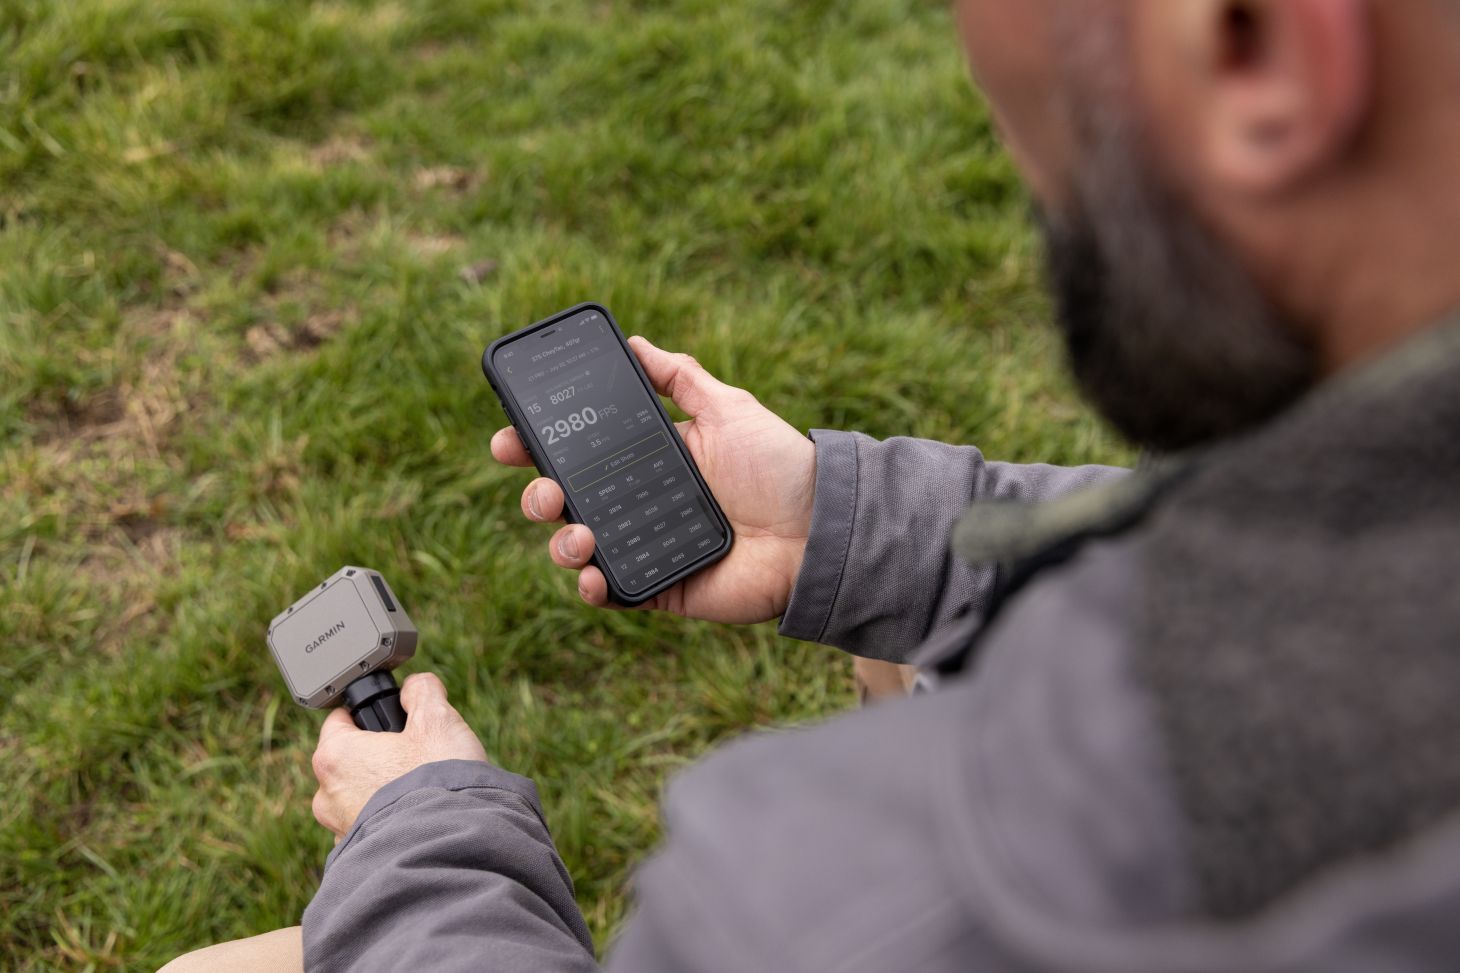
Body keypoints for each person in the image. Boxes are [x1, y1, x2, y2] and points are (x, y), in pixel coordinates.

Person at [164, 0, 1460, 969]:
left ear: (1255, 47)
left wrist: (422, 824)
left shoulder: (842, 895)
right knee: (899, 663)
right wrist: (843, 527)